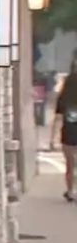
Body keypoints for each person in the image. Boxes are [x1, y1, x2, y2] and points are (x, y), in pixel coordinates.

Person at [53, 69, 77, 202]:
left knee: (70, 165)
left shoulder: (63, 99)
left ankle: (70, 191)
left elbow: (57, 119)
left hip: (68, 134)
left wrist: (53, 139)